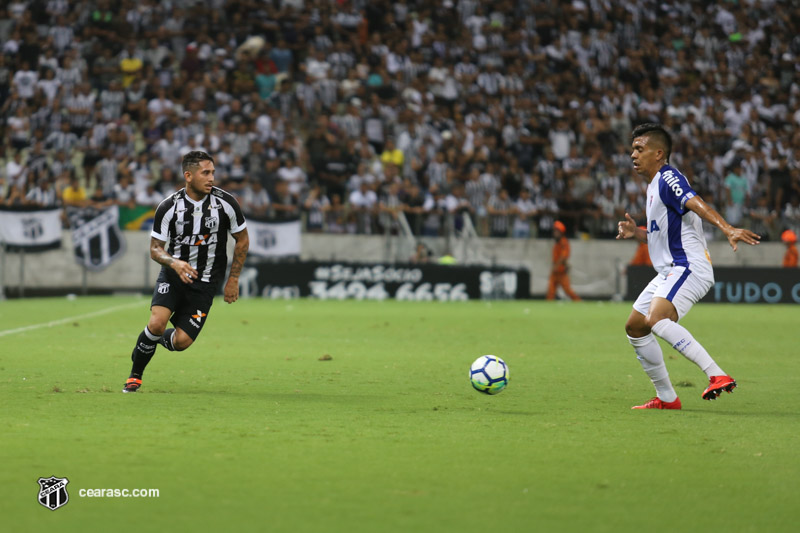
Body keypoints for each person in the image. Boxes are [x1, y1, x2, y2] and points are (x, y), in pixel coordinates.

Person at [617, 123, 760, 410]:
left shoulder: (668, 177)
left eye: (639, 149)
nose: (633, 154)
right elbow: (663, 235)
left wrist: (727, 227)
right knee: (635, 327)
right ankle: (667, 398)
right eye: (633, 149)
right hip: (669, 270)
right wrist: (638, 233)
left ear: (659, 153)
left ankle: (717, 374)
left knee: (657, 319)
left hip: (687, 266)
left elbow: (694, 201)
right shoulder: (653, 187)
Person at [122, 151, 249, 393]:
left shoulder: (226, 203)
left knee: (181, 343)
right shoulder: (169, 207)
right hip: (174, 276)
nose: (212, 177)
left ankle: (149, 339)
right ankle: (135, 375)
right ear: (188, 176)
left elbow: (242, 240)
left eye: (213, 172)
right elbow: (155, 249)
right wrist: (174, 263)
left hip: (206, 282)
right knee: (157, 322)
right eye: (206, 173)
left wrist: (233, 279)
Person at [546, 220, 581, 301]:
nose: (554, 233)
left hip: (561, 272)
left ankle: (579, 303)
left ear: (561, 232)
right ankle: (547, 309)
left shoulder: (564, 243)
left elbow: (563, 256)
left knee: (568, 291)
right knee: (550, 292)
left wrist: (556, 266)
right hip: (555, 272)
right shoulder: (556, 243)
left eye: (556, 231)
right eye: (554, 231)